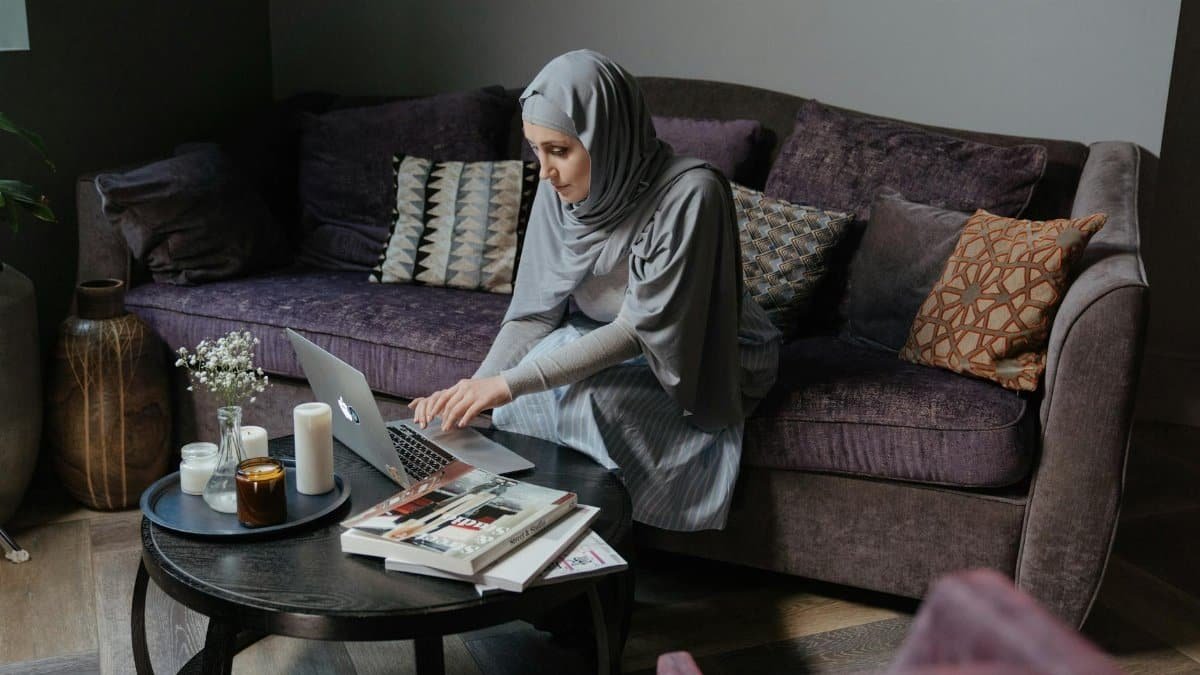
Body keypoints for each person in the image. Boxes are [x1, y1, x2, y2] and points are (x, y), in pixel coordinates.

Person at [409, 50, 780, 531]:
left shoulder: (692, 195)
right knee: (523, 395)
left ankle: (603, 539)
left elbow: (638, 331)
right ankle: (533, 532)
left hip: (699, 346)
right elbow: (535, 315)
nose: (545, 171)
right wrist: (474, 392)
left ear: (607, 137)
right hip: (607, 328)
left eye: (559, 150)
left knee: (582, 401)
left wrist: (508, 383)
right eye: (535, 149)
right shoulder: (556, 189)